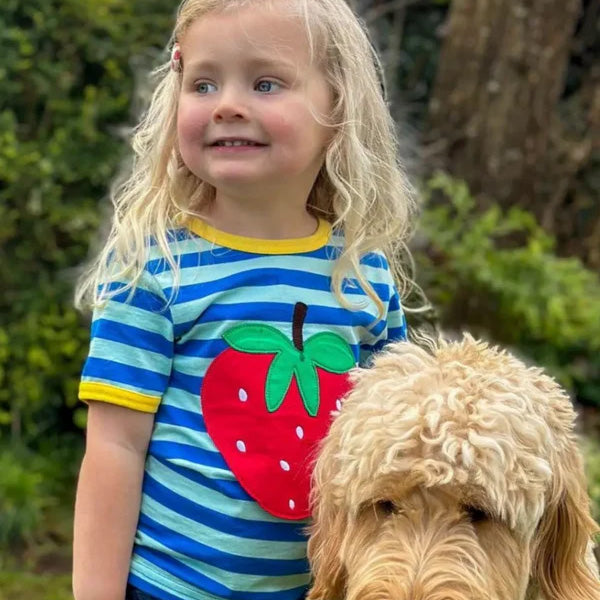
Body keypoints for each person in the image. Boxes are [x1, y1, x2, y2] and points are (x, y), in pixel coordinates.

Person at [72, 0, 417, 599]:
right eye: (203, 83)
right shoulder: (157, 269)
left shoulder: (363, 277)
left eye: (265, 82)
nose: (227, 104)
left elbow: (395, 450)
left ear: (338, 107)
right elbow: (114, 447)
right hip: (170, 587)